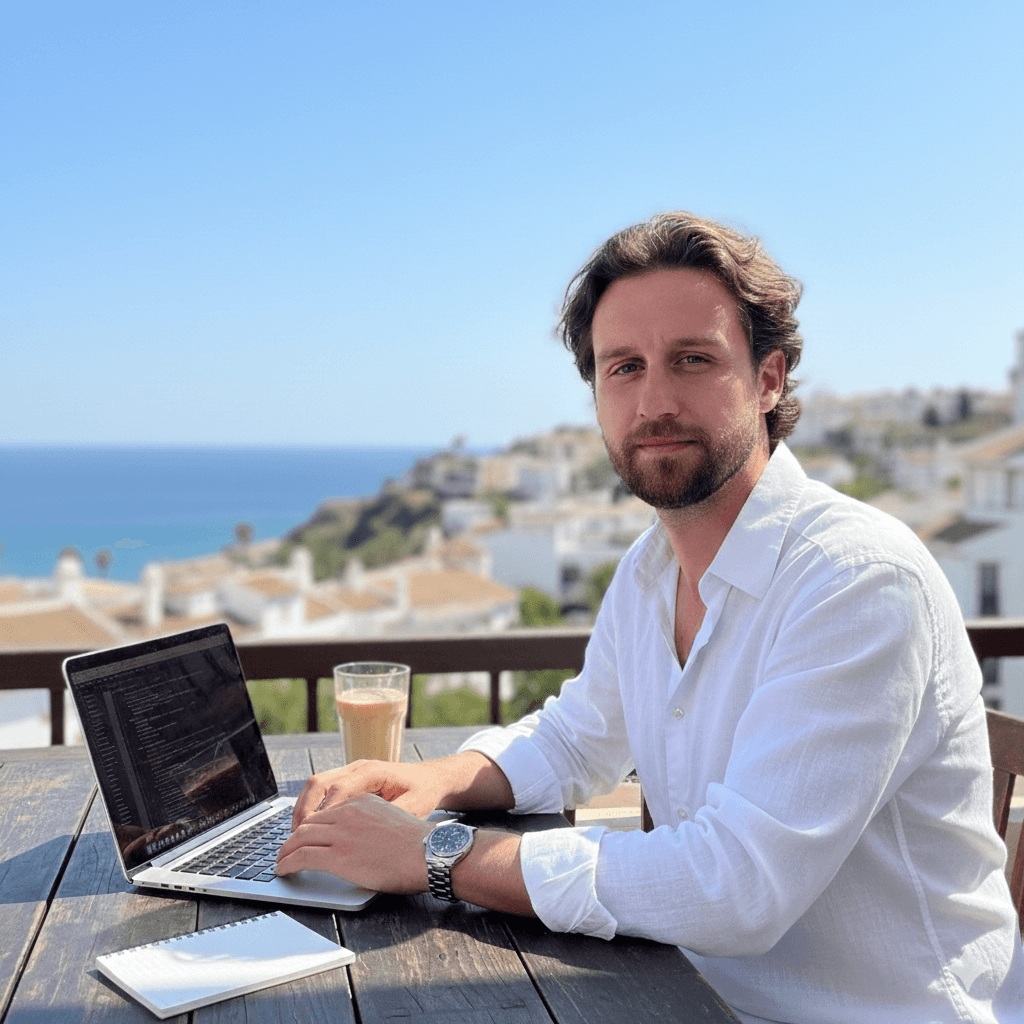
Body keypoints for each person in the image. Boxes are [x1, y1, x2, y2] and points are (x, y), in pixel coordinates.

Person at [276, 212, 1024, 1023]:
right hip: (687, 994)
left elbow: (736, 888)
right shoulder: (651, 568)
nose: (654, 400)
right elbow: (578, 735)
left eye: (693, 360)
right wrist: (431, 780)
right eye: (623, 368)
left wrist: (439, 854)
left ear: (769, 379)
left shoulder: (855, 581)